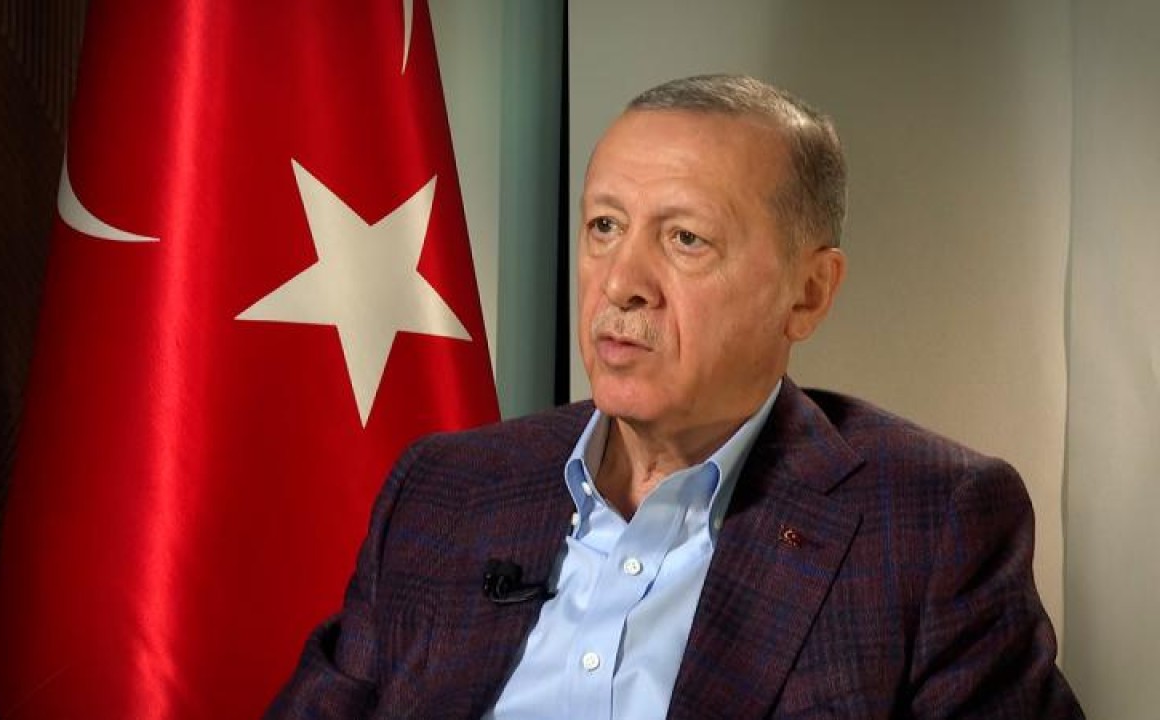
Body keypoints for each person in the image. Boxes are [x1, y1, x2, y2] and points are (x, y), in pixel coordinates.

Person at [266, 74, 1083, 719]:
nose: (621, 282)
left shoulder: (928, 525)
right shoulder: (447, 489)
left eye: (686, 239)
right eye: (604, 227)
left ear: (808, 293)